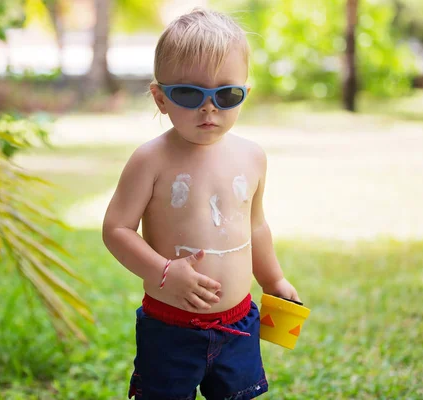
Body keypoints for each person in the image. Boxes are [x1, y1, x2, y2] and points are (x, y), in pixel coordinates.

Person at [102, 8, 300, 400]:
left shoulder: (252, 157)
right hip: (171, 325)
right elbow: (116, 229)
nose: (209, 108)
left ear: (244, 93)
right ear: (160, 98)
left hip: (239, 323)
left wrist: (273, 279)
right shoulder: (150, 160)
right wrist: (162, 272)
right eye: (191, 94)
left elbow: (255, 226)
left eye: (226, 94)